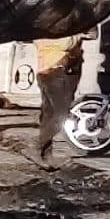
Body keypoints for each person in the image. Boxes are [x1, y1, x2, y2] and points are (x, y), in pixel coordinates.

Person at [33, 34, 84, 168]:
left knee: (49, 113)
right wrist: (78, 34)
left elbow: (92, 33)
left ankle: (45, 154)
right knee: (60, 114)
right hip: (55, 71)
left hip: (53, 70)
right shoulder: (54, 26)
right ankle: (39, 148)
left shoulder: (44, 22)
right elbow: (67, 43)